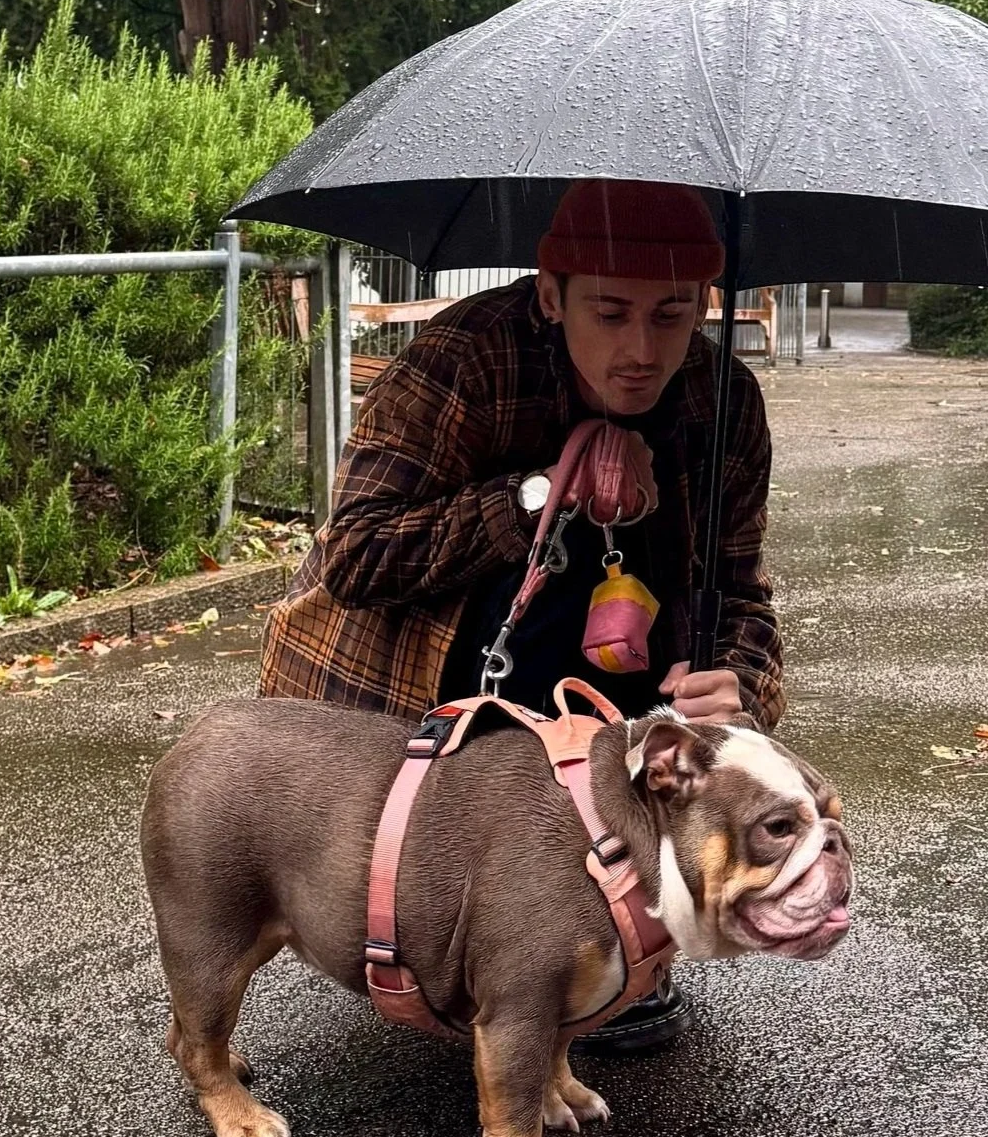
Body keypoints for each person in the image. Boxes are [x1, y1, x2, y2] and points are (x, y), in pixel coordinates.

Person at [259, 177, 783, 1047]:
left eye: (672, 314)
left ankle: (609, 920)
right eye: (609, 314)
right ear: (551, 294)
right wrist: (536, 495)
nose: (641, 350)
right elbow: (354, 555)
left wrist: (741, 690)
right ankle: (468, 911)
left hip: (621, 654)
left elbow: (740, 593)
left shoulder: (724, 403)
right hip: (421, 655)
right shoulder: (463, 359)